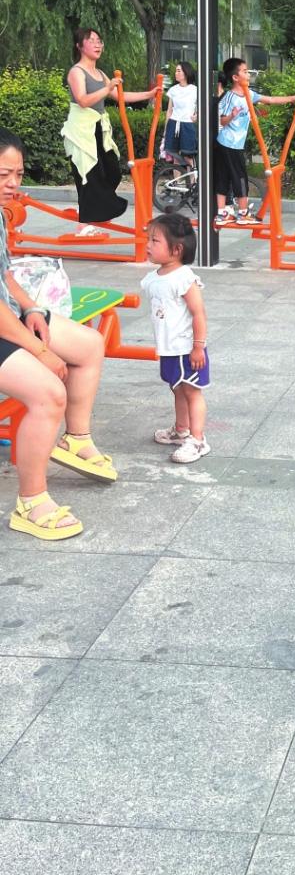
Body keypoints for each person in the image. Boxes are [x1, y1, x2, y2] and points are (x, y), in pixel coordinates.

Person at [0, 127, 118, 540]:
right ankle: (31, 503)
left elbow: (4, 276)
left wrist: (31, 308)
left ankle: (76, 439)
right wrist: (39, 350)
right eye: (3, 175)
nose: (13, 184)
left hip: (9, 318)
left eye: (17, 174)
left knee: (89, 345)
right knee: (49, 393)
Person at [62, 27, 159, 235]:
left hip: (98, 127)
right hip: (81, 130)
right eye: (91, 40)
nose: (97, 44)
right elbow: (83, 100)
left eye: (99, 40)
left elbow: (119, 96)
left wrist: (149, 94)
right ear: (79, 46)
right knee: (89, 173)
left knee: (113, 171)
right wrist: (107, 88)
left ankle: (94, 212)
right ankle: (84, 223)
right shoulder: (76, 72)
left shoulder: (100, 73)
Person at [141, 213, 210, 463]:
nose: (148, 245)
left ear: (177, 249)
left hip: (186, 348)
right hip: (169, 348)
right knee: (177, 389)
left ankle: (198, 440)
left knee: (192, 391)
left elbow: (198, 313)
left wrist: (198, 347)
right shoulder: (153, 279)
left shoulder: (184, 278)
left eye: (155, 240)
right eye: (148, 239)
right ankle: (181, 430)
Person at [214, 58, 295, 226]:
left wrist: (293, 98)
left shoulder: (249, 94)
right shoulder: (229, 97)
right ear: (235, 77)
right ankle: (242, 213)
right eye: (245, 71)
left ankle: (222, 214)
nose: (248, 74)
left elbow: (270, 100)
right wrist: (232, 115)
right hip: (228, 144)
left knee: (227, 176)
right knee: (238, 177)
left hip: (233, 145)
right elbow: (222, 121)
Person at [162, 61, 198, 169]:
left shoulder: (195, 90)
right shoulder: (173, 90)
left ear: (186, 72)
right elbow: (169, 111)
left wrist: (197, 116)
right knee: (175, 157)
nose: (176, 73)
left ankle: (193, 179)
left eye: (178, 71)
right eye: (176, 71)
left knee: (188, 157)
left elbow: (202, 108)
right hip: (173, 123)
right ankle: (177, 179)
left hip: (188, 125)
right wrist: (166, 129)